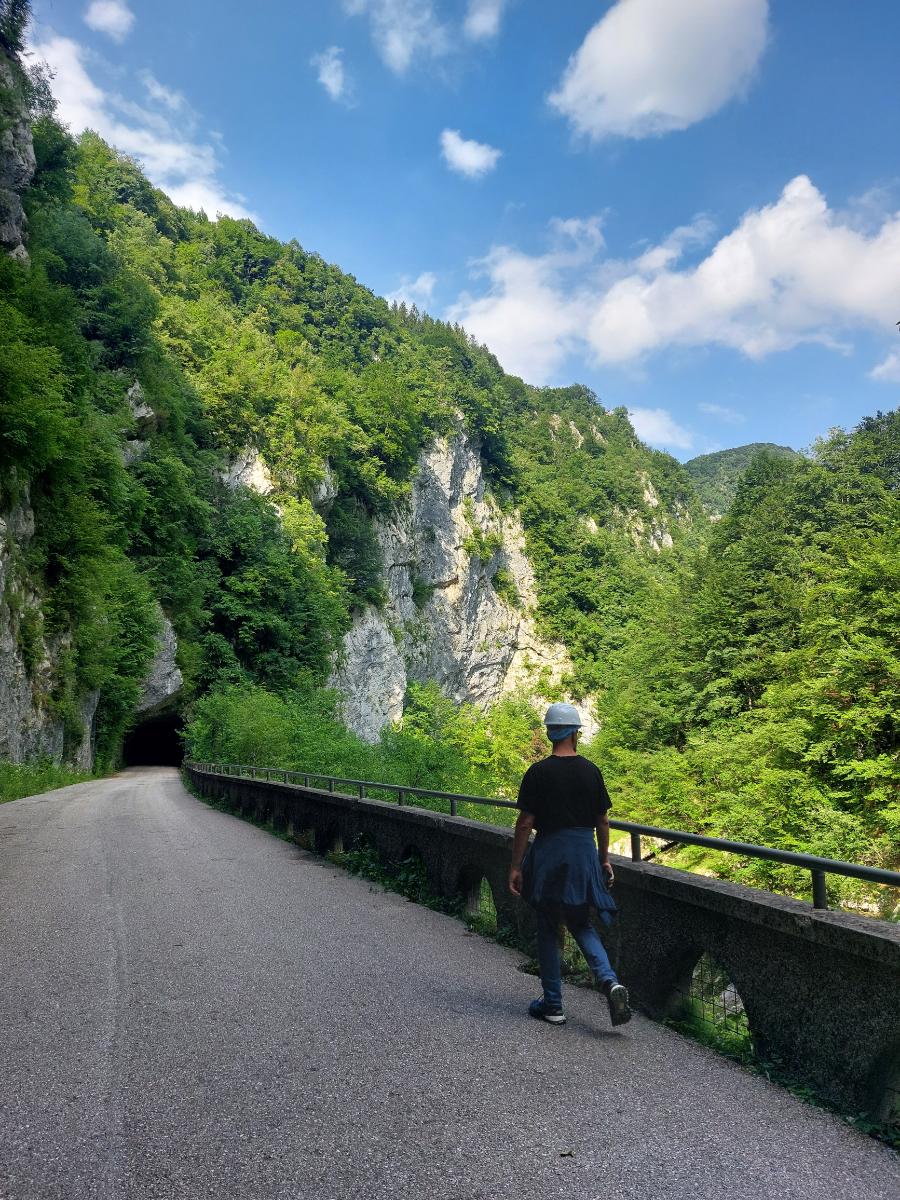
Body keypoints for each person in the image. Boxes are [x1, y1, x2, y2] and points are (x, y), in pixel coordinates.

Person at [508, 703, 632, 1028]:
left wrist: (516, 865)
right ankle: (609, 980)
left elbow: (525, 824)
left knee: (548, 926)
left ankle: (553, 1005)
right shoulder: (591, 771)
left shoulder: (538, 773)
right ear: (576, 733)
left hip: (550, 852)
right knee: (581, 922)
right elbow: (602, 820)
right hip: (582, 853)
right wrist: (603, 858)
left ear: (550, 733)